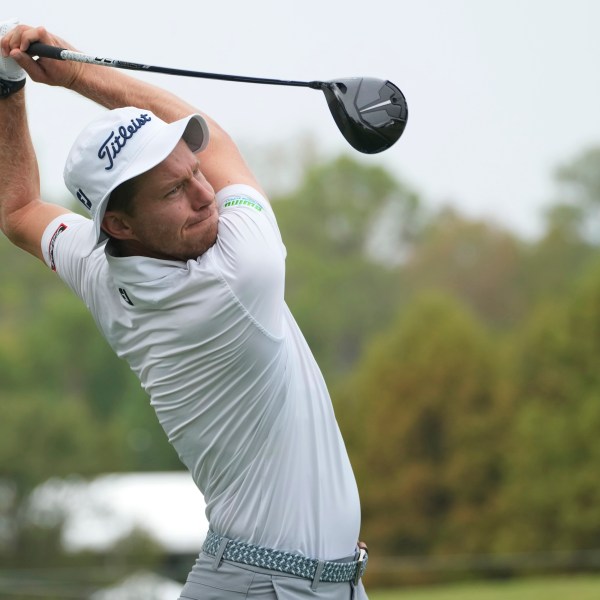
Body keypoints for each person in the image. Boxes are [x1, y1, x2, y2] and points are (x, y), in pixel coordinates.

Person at [0, 19, 368, 599]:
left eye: (193, 172)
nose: (204, 195)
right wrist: (76, 74)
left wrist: (5, 86)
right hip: (267, 588)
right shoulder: (240, 275)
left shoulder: (99, 264)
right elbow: (217, 139)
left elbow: (18, 210)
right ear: (120, 223)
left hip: (287, 582)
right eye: (173, 192)